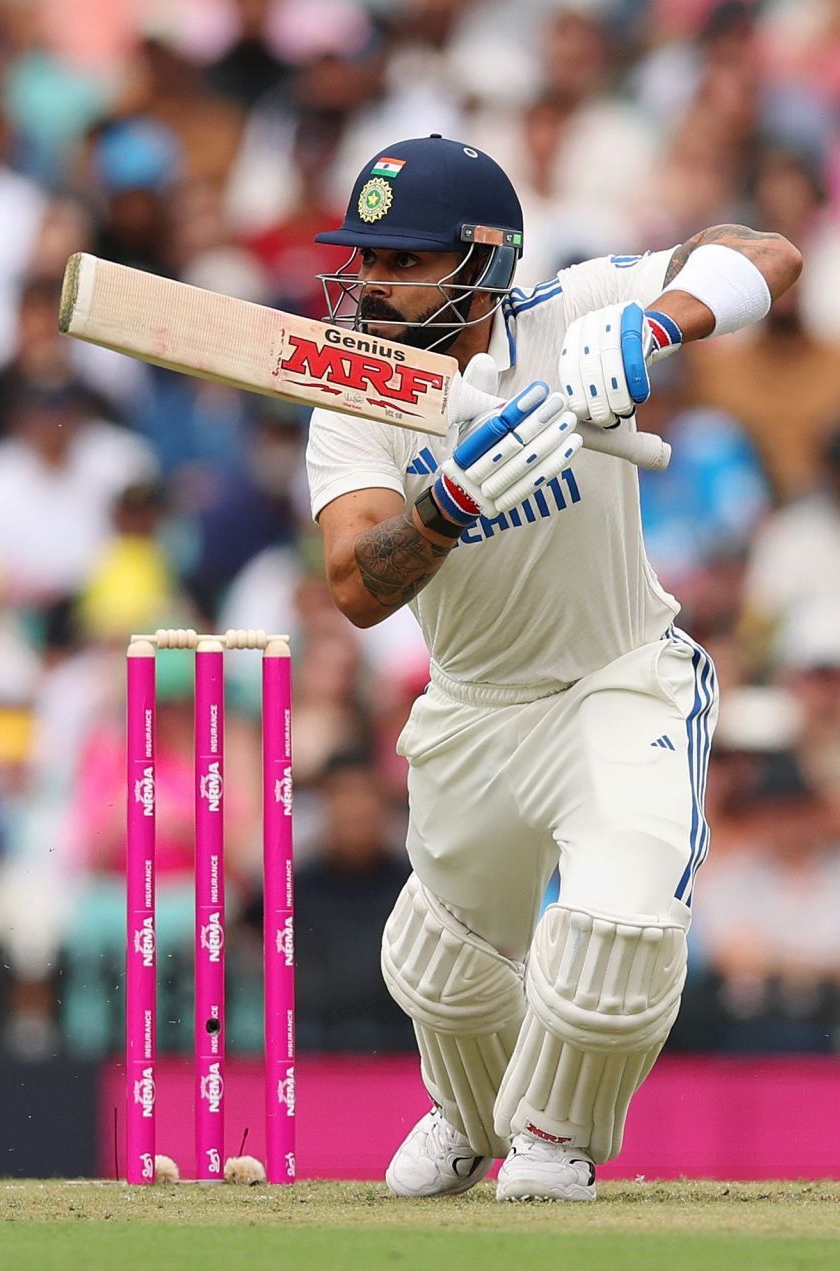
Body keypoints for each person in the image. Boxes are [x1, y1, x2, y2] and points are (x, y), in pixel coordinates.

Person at [304, 135, 799, 1201]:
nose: (375, 284)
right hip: (474, 705)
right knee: (443, 969)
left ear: (483, 259)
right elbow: (356, 584)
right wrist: (450, 504)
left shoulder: (576, 308)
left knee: (619, 927)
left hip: (616, 677)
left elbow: (767, 252)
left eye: (404, 261)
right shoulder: (356, 397)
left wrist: (652, 324)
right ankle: (468, 1115)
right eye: (369, 262)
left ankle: (551, 1136)